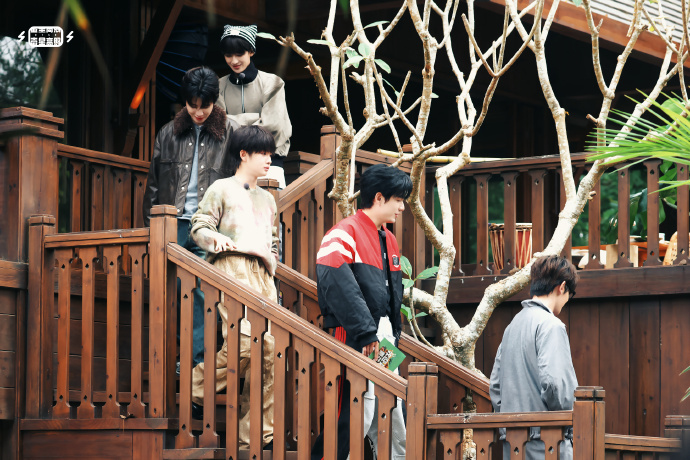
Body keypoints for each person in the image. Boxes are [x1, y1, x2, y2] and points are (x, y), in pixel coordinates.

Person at [310, 164, 411, 460]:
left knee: (391, 405)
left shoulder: (389, 238)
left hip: (384, 336)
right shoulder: (344, 232)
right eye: (398, 200)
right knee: (353, 410)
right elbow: (335, 282)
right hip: (356, 335)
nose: (402, 207)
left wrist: (390, 332)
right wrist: (366, 332)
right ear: (379, 197)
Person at [190, 125, 279, 449]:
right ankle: (196, 388)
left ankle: (255, 435)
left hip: (262, 276)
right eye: (262, 153)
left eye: (270, 154)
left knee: (270, 352)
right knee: (243, 342)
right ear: (243, 154)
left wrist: (271, 261)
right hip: (231, 267)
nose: (268, 160)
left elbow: (274, 241)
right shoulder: (221, 189)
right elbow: (199, 226)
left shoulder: (268, 200)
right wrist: (217, 240)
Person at [143, 66, 237, 368]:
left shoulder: (230, 133)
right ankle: (169, 359)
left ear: (214, 101)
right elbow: (154, 185)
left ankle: (197, 363)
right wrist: (151, 229)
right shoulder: (167, 133)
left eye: (204, 105)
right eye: (192, 105)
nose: (198, 112)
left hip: (208, 225)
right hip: (171, 225)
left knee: (200, 293)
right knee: (167, 290)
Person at [490, 255, 579, 460]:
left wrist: (511, 424)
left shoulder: (512, 326)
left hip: (513, 444)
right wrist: (571, 424)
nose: (567, 301)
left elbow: (495, 386)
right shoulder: (551, 325)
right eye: (570, 295)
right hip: (548, 444)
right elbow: (555, 385)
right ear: (562, 287)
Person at [217, 24, 292, 188]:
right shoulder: (219, 86)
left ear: (251, 51)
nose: (234, 61)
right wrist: (256, 119)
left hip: (269, 164)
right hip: (232, 167)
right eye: (228, 55)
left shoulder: (273, 83)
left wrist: (233, 121)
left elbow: (273, 126)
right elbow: (219, 126)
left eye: (239, 54)